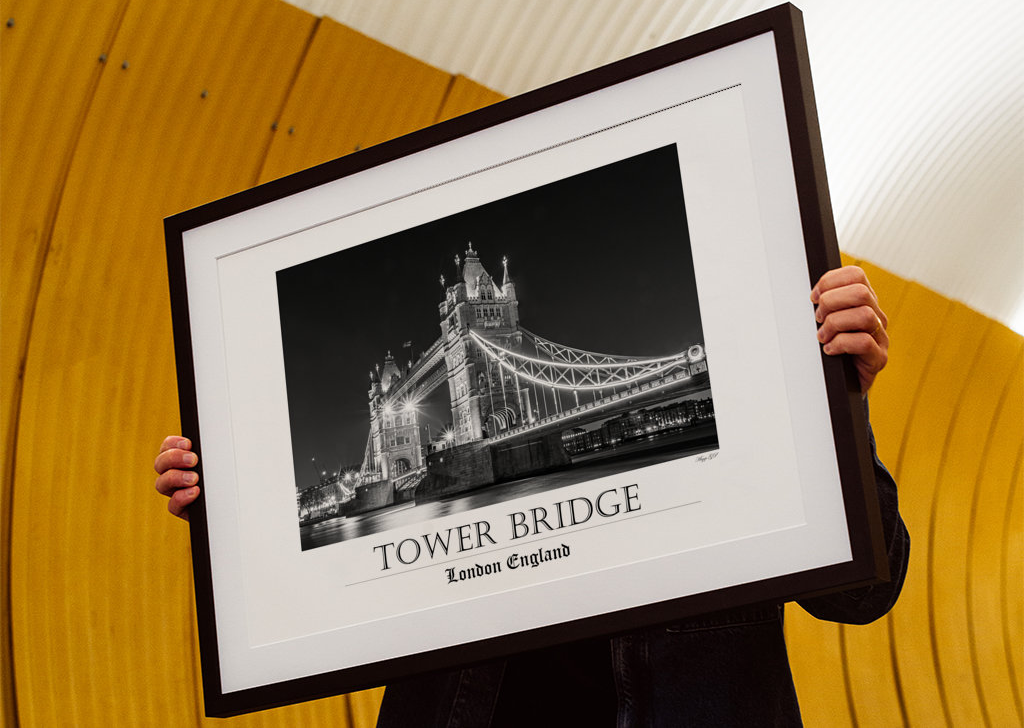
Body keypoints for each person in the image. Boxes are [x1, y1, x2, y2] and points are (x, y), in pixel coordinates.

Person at [155, 266, 909, 727]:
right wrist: (240, 509)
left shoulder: (767, 403)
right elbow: (317, 601)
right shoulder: (417, 487)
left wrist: (836, 400)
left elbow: (865, 593)